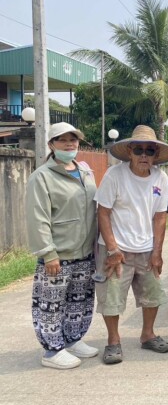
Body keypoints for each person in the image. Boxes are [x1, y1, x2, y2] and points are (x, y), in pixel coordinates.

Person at [94, 125, 168, 364]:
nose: (143, 155)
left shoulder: (161, 177)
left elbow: (160, 217)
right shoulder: (114, 175)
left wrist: (157, 252)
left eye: (149, 150)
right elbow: (103, 212)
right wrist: (112, 249)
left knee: (153, 294)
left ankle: (148, 334)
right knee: (112, 297)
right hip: (116, 249)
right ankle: (113, 341)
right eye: (138, 150)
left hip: (146, 248)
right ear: (129, 151)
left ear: (155, 155)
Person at [26, 122, 98, 369]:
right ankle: (52, 350)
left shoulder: (85, 172)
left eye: (73, 140)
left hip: (85, 252)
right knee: (51, 303)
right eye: (62, 140)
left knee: (80, 300)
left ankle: (73, 339)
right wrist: (48, 253)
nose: (69, 144)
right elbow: (38, 218)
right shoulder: (42, 176)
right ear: (51, 144)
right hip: (58, 254)